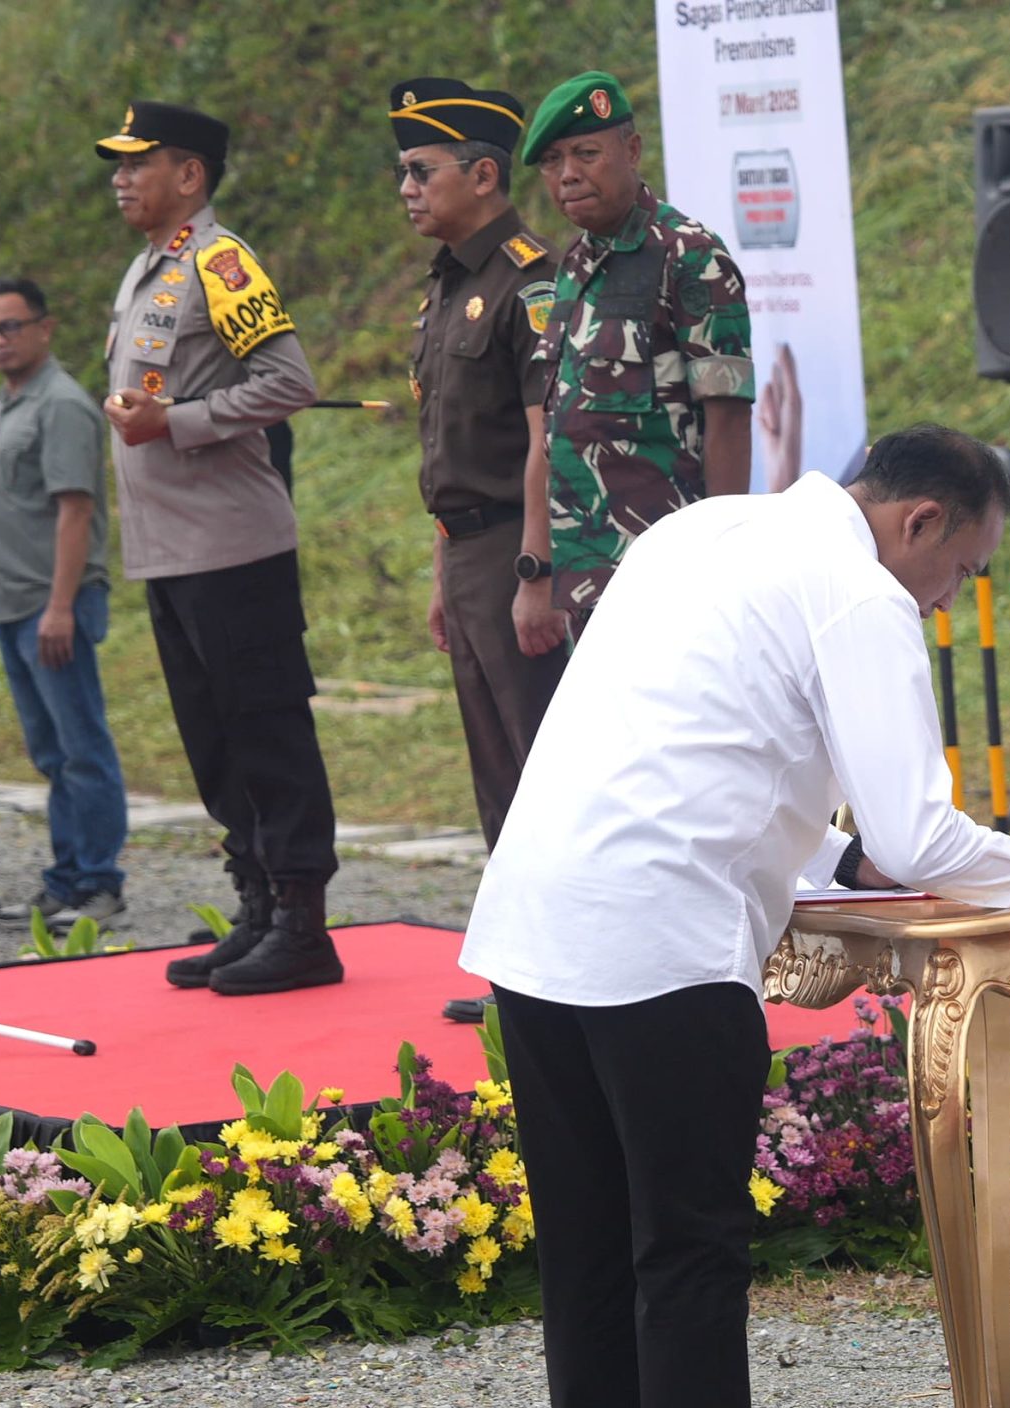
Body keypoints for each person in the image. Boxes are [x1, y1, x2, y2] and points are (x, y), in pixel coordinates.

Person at [460, 424, 1010, 1408]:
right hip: (663, 943)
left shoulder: (698, 530)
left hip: (537, 926)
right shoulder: (857, 593)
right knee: (688, 1253)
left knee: (595, 1255)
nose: (951, 596)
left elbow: (703, 747)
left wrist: (843, 856)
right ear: (919, 521)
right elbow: (926, 838)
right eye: (961, 568)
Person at [95, 100, 341, 995]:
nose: (121, 177)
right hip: (169, 551)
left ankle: (305, 922)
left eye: (138, 162)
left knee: (265, 728)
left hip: (232, 545)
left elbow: (289, 381)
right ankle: (258, 905)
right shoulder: (146, 269)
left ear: (189, 175)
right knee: (212, 742)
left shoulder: (221, 262)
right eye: (117, 165)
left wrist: (179, 422)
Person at [390, 76, 570, 1024]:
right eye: (403, 173)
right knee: (494, 768)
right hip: (467, 553)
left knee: (540, 760)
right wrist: (439, 572)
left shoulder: (527, 277)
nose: (407, 188)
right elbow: (447, 447)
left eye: (423, 171)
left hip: (515, 550)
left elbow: (545, 435)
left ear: (486, 173)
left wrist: (534, 571)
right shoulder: (451, 280)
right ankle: (520, 969)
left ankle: (566, 969)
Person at [520, 72, 752, 619]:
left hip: (666, 579)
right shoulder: (574, 264)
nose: (568, 175)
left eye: (586, 154)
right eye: (552, 163)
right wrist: (539, 569)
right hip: (585, 578)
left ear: (632, 150)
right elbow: (554, 428)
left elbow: (728, 420)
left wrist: (719, 566)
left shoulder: (690, 258)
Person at [0, 276, 129, 927]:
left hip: (50, 604)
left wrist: (61, 605)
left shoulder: (60, 403)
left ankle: (99, 881)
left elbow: (75, 509)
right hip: (13, 601)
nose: (0, 340)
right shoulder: (11, 402)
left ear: (45, 327)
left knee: (81, 746)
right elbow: (17, 502)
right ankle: (65, 876)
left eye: (12, 326)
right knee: (51, 751)